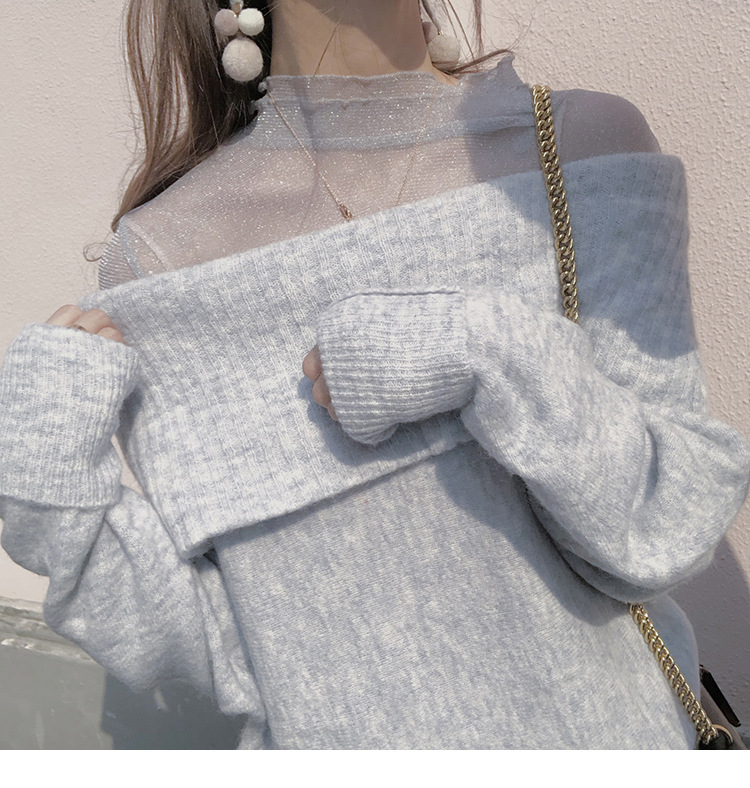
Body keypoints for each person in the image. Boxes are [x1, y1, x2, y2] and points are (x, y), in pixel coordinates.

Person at [1, 0, 749, 750]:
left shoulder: (580, 148)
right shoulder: (163, 257)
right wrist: (52, 500)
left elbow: (667, 522)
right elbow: (228, 652)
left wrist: (481, 348)